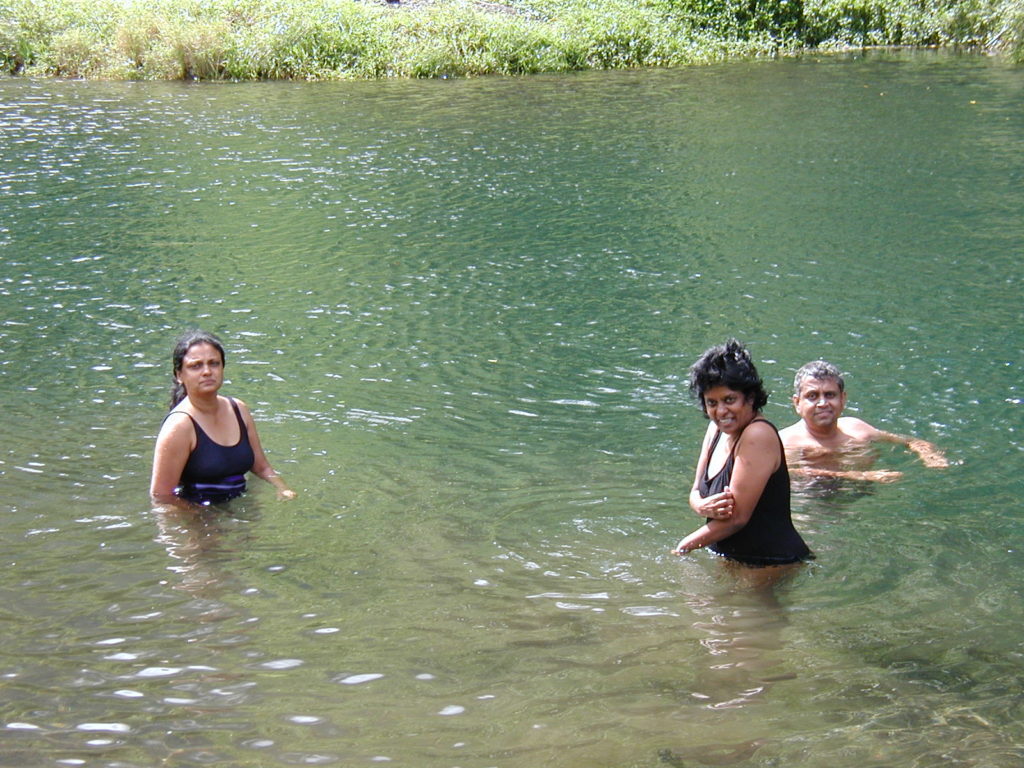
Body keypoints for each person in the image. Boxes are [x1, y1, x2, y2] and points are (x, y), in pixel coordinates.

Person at [672, 340, 812, 567]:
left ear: (750, 397)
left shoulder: (757, 435)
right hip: (734, 558)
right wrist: (699, 506)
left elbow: (736, 518)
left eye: (729, 400)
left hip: (772, 561)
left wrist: (685, 546)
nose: (721, 411)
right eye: (712, 403)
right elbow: (696, 489)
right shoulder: (715, 428)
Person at [150, 330, 297, 507]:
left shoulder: (238, 410)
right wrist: (201, 521)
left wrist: (281, 487)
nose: (207, 371)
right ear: (179, 375)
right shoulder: (180, 426)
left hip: (241, 512)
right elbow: (161, 496)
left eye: (214, 364)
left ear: (222, 368)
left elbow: (261, 466)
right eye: (196, 366)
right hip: (199, 520)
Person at [779, 360, 947, 483]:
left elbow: (910, 441)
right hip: (807, 501)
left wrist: (930, 456)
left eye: (830, 395)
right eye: (812, 396)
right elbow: (790, 473)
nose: (823, 403)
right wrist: (861, 476)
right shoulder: (785, 443)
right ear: (797, 403)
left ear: (843, 399)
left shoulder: (858, 429)